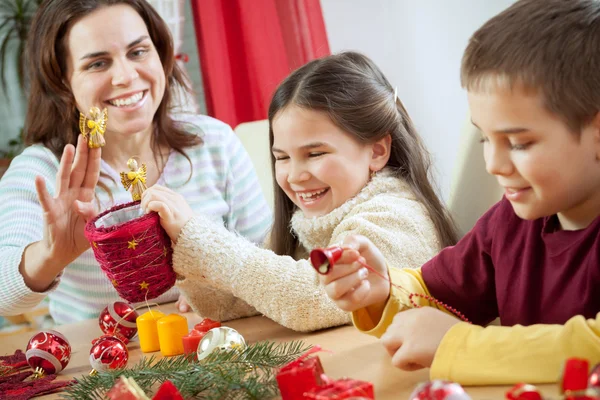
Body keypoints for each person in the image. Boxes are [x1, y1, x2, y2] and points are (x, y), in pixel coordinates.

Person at [320, 0, 600, 385]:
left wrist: (458, 344)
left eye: (518, 143)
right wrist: (384, 290)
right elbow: (439, 294)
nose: (493, 164)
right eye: (485, 137)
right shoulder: (509, 221)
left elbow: (594, 347)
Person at [140, 51, 459, 332]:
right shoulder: (309, 223)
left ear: (376, 151)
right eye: (282, 158)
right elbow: (245, 299)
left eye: (315, 154)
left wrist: (198, 238)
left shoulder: (397, 217)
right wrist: (190, 265)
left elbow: (312, 297)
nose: (294, 175)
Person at [0, 0, 271, 324]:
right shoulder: (42, 171)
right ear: (62, 81)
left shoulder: (214, 142)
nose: (126, 76)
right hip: (101, 366)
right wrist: (49, 256)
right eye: (98, 63)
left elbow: (267, 260)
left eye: (138, 52)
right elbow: (4, 296)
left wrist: (217, 287)